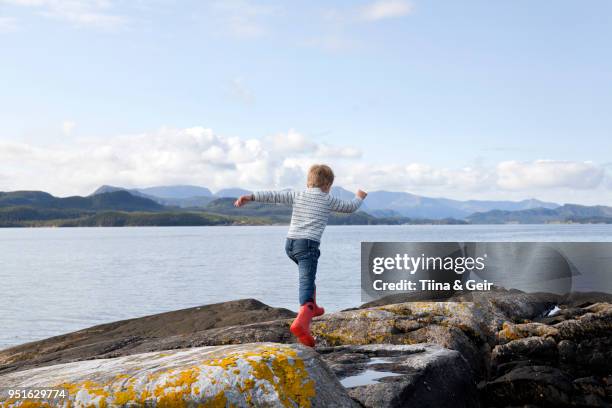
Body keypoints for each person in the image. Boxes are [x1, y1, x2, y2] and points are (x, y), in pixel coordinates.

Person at [234, 164, 367, 347]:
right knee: (307, 278)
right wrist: (359, 196)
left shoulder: (298, 194)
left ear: (308, 182)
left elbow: (274, 196)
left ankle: (314, 307)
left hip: (290, 244)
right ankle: (303, 319)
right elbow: (350, 207)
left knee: (308, 277)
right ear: (328, 185)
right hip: (308, 246)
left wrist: (250, 196)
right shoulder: (327, 199)